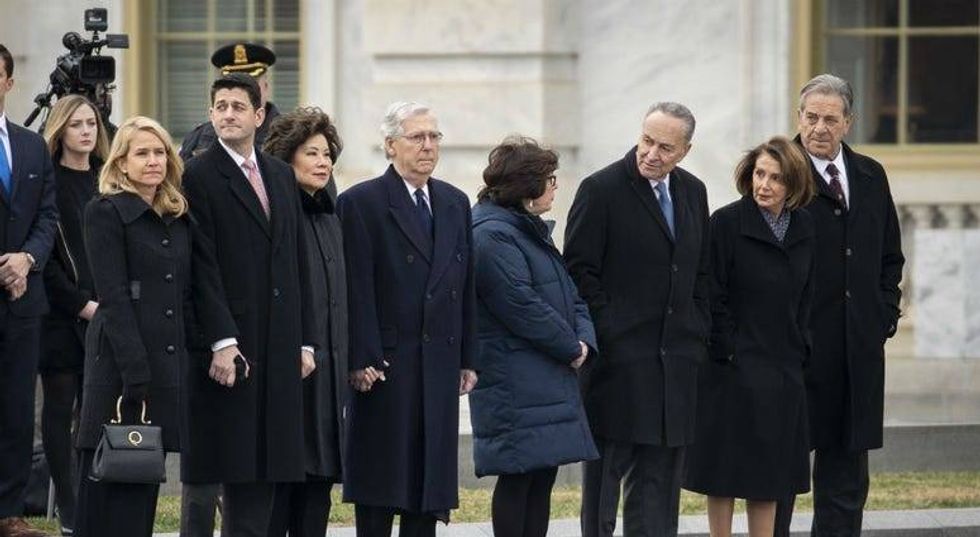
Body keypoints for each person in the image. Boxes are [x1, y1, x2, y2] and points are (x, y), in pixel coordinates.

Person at [564, 101, 710, 537]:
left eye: (665, 147)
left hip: (676, 364)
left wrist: (697, 328)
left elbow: (701, 270)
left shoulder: (693, 191)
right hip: (619, 365)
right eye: (647, 140)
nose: (651, 153)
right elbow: (579, 273)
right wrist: (609, 332)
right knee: (605, 485)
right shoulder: (600, 189)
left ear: (685, 150)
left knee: (661, 487)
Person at [182, 73, 316, 537]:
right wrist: (221, 340)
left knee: (266, 466)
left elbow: (296, 260)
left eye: (238, 106)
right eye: (220, 106)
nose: (227, 114)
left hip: (277, 343)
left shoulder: (279, 174)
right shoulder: (197, 174)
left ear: (259, 115)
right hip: (229, 345)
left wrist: (306, 341)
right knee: (226, 464)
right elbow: (201, 267)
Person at [337, 101, 477, 537]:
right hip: (386, 365)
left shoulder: (455, 202)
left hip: (438, 362)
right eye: (417, 137)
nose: (428, 146)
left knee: (425, 488)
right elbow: (355, 288)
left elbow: (465, 285)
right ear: (391, 145)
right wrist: (362, 358)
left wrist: (468, 358)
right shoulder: (361, 202)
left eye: (434, 137)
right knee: (382, 485)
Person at [775, 74, 905, 537]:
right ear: (799, 118)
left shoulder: (871, 175)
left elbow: (890, 255)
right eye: (811, 117)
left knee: (847, 477)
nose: (819, 128)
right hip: (798, 349)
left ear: (848, 122)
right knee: (782, 471)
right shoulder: (778, 172)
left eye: (831, 119)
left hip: (858, 349)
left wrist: (884, 315)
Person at [684, 136, 816, 537]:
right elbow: (710, 292)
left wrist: (799, 349)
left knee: (770, 478)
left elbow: (808, 296)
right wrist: (727, 348)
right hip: (731, 372)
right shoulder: (725, 223)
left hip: (783, 373)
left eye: (776, 178)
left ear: (793, 185)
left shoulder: (807, 228)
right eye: (760, 173)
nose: (765, 185)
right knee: (723, 477)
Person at [468, 136, 598, 537]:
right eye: (549, 178)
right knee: (519, 478)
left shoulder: (528, 231)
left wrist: (585, 341)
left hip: (543, 375)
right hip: (514, 380)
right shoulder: (492, 234)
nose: (555, 185)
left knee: (542, 477)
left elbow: (572, 295)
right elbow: (520, 304)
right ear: (526, 186)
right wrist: (570, 346)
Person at [73, 115, 193, 537]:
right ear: (121, 163)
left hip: (164, 361)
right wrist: (134, 368)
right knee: (106, 470)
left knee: (141, 472)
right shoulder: (104, 212)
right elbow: (114, 295)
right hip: (120, 360)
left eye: (160, 152)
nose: (154, 161)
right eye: (142, 153)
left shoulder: (176, 215)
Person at [262, 107, 349, 537]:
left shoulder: (331, 215)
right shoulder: (274, 215)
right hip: (289, 372)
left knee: (320, 486)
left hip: (329, 377)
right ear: (287, 158)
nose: (323, 162)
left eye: (327, 154)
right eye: (312, 153)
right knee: (282, 487)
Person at [39, 94, 109, 536]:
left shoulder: (107, 179)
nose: (85, 131)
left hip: (107, 313)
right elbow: (45, 254)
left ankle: (96, 500)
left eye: (91, 123)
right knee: (60, 409)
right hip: (61, 314)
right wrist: (79, 303)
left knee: (96, 410)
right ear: (60, 130)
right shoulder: (48, 180)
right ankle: (68, 506)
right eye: (76, 124)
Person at [0, 44, 59, 537]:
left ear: (9, 83)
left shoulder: (31, 145)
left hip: (21, 301)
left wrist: (27, 259)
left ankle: (9, 511)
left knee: (18, 410)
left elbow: (47, 214)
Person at [179, 43, 281, 162]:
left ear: (266, 87)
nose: (240, 93)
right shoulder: (199, 137)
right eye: (232, 85)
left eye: (250, 85)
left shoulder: (289, 135)